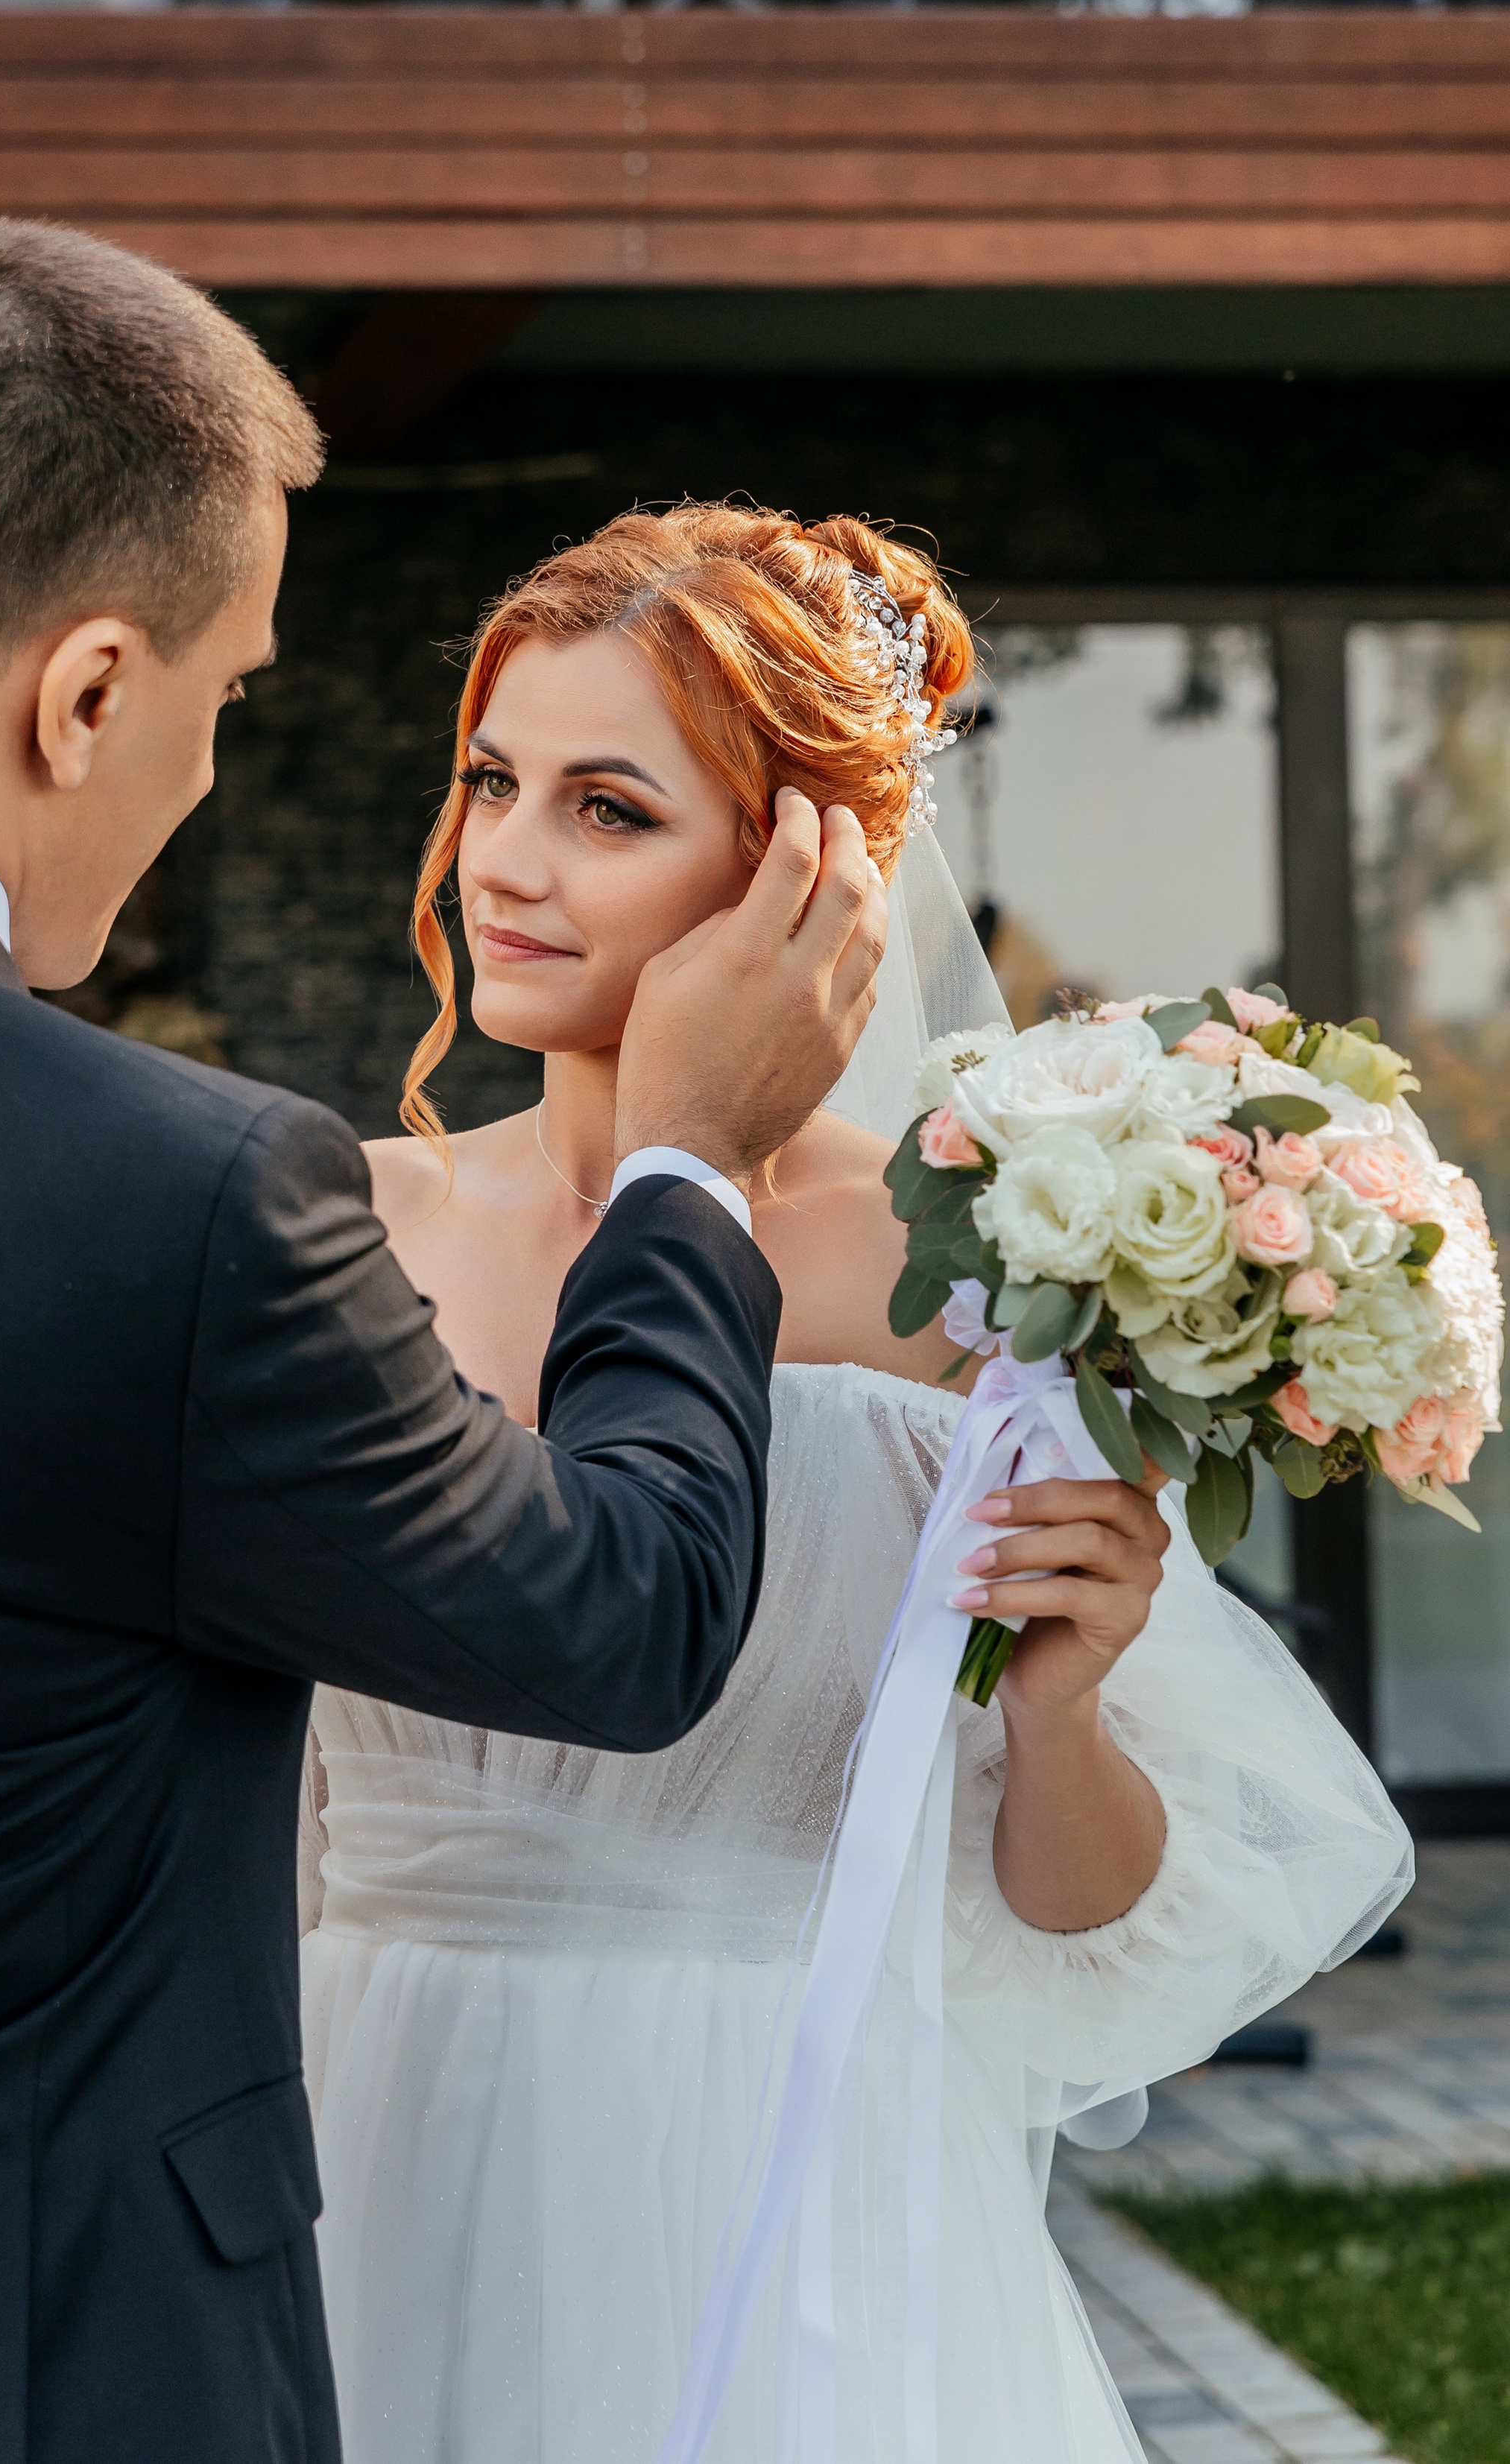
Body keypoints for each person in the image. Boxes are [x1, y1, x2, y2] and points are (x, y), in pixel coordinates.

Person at [0, 231, 889, 2464]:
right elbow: (624, 1610)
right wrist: (686, 1164)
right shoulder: (176, 1194)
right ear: (86, 693)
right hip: (17, 2374)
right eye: (223, 701)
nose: (203, 775)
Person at [299, 503, 1415, 2464]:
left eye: (608, 808)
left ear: (805, 871)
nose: (505, 859)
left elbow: (1077, 1913)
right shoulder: (341, 1228)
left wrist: (1061, 1699)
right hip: (346, 2136)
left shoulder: (974, 1279)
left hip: (762, 2162)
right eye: (494, 780)